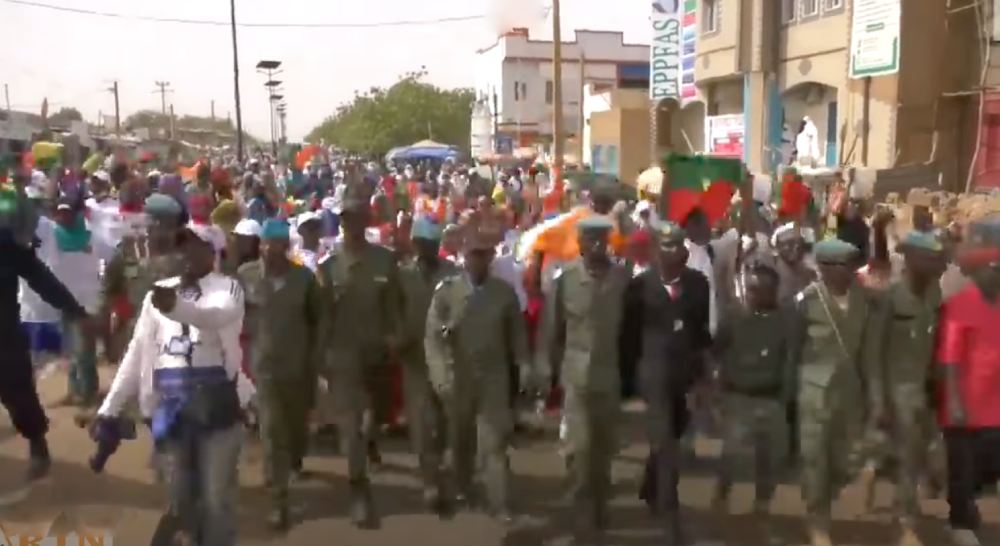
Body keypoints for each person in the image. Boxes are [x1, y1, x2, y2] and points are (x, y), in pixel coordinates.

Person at [95, 222, 254, 546]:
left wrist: (176, 307)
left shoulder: (228, 289)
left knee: (215, 498)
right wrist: (109, 408)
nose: (187, 253)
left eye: (197, 246)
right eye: (183, 245)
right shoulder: (161, 291)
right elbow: (138, 351)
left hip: (219, 408)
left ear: (214, 252)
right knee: (180, 497)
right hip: (171, 409)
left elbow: (214, 316)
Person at [424, 227, 529, 524]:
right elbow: (432, 339)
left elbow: (517, 336)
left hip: (493, 377)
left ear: (492, 257)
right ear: (464, 257)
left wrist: (526, 366)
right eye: (473, 255)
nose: (478, 261)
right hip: (458, 378)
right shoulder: (447, 292)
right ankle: (463, 484)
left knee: (494, 442)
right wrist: (440, 376)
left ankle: (499, 502)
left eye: (484, 255)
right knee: (461, 441)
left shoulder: (503, 294)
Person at [536, 215, 630, 539]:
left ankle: (601, 507)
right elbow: (550, 330)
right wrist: (543, 372)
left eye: (601, 240)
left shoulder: (621, 279)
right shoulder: (566, 280)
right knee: (580, 447)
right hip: (576, 376)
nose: (596, 246)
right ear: (580, 243)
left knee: (604, 450)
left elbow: (630, 332)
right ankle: (581, 514)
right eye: (589, 240)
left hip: (610, 376)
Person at [315, 186, 402, 529]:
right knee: (351, 425)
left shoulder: (384, 260)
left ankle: (367, 446)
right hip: (343, 355)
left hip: (378, 354)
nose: (352, 225)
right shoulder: (329, 267)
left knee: (373, 420)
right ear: (340, 223)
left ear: (368, 221)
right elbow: (322, 317)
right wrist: (320, 356)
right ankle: (359, 489)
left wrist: (395, 334)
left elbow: (393, 305)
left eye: (358, 219)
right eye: (346, 220)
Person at [625, 221, 711, 545]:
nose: (672, 251)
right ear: (654, 252)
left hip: (684, 374)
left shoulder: (698, 285)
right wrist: (631, 379)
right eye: (665, 245)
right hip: (653, 373)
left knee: (672, 432)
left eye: (677, 245)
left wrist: (703, 376)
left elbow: (701, 331)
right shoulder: (640, 287)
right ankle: (669, 514)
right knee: (666, 443)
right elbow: (629, 336)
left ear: (685, 252)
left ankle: (650, 485)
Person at [791, 238, 878, 546]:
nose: (853, 271)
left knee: (845, 462)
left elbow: (869, 351)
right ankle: (818, 522)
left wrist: (873, 393)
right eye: (845, 266)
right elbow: (793, 351)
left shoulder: (865, 301)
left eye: (854, 265)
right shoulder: (807, 302)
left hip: (850, 394)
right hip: (814, 394)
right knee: (816, 460)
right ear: (825, 269)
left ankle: (827, 496)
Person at [864, 230, 947, 546]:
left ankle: (874, 468)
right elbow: (873, 353)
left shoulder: (934, 295)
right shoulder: (891, 298)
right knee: (911, 457)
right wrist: (878, 401)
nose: (936, 265)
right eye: (929, 259)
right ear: (912, 260)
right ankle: (906, 524)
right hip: (897, 389)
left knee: (936, 460)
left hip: (926, 388)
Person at [237, 219, 320, 530]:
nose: (273, 251)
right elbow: (233, 313)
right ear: (261, 246)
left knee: (296, 428)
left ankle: (296, 458)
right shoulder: (246, 277)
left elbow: (317, 319)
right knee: (272, 431)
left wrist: (316, 355)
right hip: (265, 367)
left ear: (287, 246)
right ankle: (278, 499)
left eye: (279, 245)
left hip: (299, 366)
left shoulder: (304, 279)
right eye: (268, 245)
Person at [1, 220, 93, 482]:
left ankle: (37, 443)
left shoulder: (5, 241)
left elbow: (38, 276)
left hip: (3, 335)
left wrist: (72, 308)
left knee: (18, 390)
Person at [711, 263, 795, 544]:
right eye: (752, 289)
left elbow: (789, 359)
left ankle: (762, 509)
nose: (755, 294)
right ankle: (721, 495)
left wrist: (786, 398)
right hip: (739, 397)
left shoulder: (785, 321)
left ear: (774, 291)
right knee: (732, 454)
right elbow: (716, 352)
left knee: (770, 458)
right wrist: (715, 388)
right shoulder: (734, 318)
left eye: (763, 289)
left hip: (771, 399)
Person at [935, 218, 1000, 546]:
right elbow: (948, 358)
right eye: (994, 268)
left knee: (989, 465)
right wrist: (955, 402)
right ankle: (958, 521)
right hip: (962, 403)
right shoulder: (960, 305)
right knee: (962, 466)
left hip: (995, 404)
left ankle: (969, 507)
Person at [397, 215, 457, 513]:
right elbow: (393, 311)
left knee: (446, 420)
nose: (428, 248)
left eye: (433, 243)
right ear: (415, 243)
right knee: (422, 422)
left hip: (447, 358)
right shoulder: (403, 275)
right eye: (423, 243)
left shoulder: (453, 274)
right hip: (415, 359)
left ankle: (442, 463)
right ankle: (430, 481)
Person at [100, 194, 186, 363]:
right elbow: (109, 292)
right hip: (136, 337)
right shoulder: (128, 254)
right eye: (160, 225)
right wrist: (110, 335)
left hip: (176, 338)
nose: (166, 232)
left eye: (171, 226)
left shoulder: (187, 257)